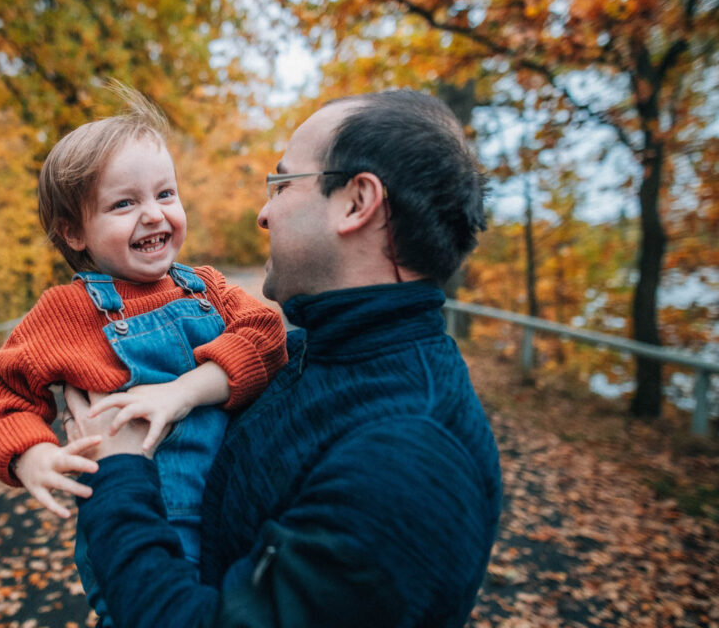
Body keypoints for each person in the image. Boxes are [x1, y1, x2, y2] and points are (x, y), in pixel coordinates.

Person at [65, 89, 503, 628]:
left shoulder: (407, 460)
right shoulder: (317, 356)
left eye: (282, 184)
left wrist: (118, 473)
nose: (263, 213)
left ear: (357, 202)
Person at [0, 87, 287, 625]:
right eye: (124, 203)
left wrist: (184, 391)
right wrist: (30, 455)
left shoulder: (204, 286)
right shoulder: (67, 310)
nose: (153, 214)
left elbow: (267, 333)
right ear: (75, 232)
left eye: (165, 194)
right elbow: (0, 390)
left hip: (238, 506)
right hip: (146, 516)